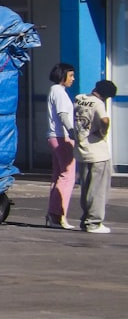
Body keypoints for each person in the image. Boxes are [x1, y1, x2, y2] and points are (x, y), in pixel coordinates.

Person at [74, 79, 118, 234]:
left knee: (86, 188)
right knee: (98, 189)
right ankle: (94, 222)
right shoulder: (98, 104)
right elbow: (105, 119)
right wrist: (103, 131)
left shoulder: (79, 99)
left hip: (81, 150)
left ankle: (86, 218)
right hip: (98, 152)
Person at [45, 63, 77, 229]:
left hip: (54, 136)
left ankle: (53, 213)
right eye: (70, 75)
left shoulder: (54, 91)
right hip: (61, 136)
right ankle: (58, 214)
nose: (73, 79)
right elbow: (63, 114)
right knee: (67, 176)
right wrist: (72, 132)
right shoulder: (59, 92)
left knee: (58, 176)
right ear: (62, 75)